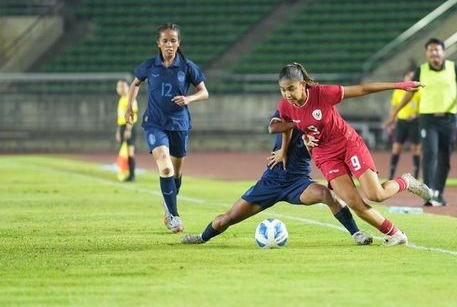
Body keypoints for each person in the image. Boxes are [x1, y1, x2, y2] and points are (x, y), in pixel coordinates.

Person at [275, 62, 433, 246]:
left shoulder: (323, 93)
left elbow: (363, 89)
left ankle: (407, 181)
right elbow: (286, 126)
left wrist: (399, 85)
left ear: (302, 84)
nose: (287, 94)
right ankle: (396, 234)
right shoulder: (285, 106)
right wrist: (285, 149)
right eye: (283, 90)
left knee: (376, 195)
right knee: (353, 201)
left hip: (348, 144)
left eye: (291, 89)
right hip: (325, 155)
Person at [181, 111, 374, 246]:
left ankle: (356, 233)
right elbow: (275, 127)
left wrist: (309, 144)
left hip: (298, 182)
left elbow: (321, 151)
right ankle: (202, 237)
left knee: (328, 195)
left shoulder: (319, 121)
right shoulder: (286, 111)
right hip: (271, 182)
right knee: (228, 219)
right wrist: (283, 150)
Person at [125, 23, 209, 234]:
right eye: (165, 41)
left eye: (173, 40)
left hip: (179, 125)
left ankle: (168, 202)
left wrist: (189, 98)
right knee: (165, 167)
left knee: (176, 172)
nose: (169, 45)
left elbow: (204, 92)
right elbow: (135, 83)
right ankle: (174, 217)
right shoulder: (149, 66)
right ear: (158, 43)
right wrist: (129, 107)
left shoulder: (188, 67)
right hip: (154, 123)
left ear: (179, 43)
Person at [387, 38, 457, 207]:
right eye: (430, 50)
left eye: (437, 50)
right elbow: (410, 93)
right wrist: (395, 112)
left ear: (443, 52)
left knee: (445, 157)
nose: (434, 53)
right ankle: (428, 193)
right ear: (426, 54)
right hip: (427, 119)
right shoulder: (421, 70)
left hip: (448, 119)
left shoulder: (453, 68)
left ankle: (438, 193)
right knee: (430, 153)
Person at [386, 69, 421, 180]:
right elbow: (393, 107)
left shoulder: (418, 91)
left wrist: (416, 115)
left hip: (415, 123)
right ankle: (391, 175)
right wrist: (392, 121)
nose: (410, 79)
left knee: (416, 149)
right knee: (396, 149)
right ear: (404, 78)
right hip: (401, 122)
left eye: (412, 77)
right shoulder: (398, 92)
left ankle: (416, 177)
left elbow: (424, 107)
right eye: (408, 77)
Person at [116, 79, 138, 181]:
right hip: (122, 127)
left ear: (128, 87)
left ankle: (132, 175)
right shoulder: (121, 99)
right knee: (123, 151)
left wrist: (128, 129)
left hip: (129, 127)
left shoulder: (130, 98)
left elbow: (132, 115)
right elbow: (120, 117)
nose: (120, 88)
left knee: (130, 152)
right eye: (119, 86)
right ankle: (126, 173)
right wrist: (118, 130)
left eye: (123, 86)